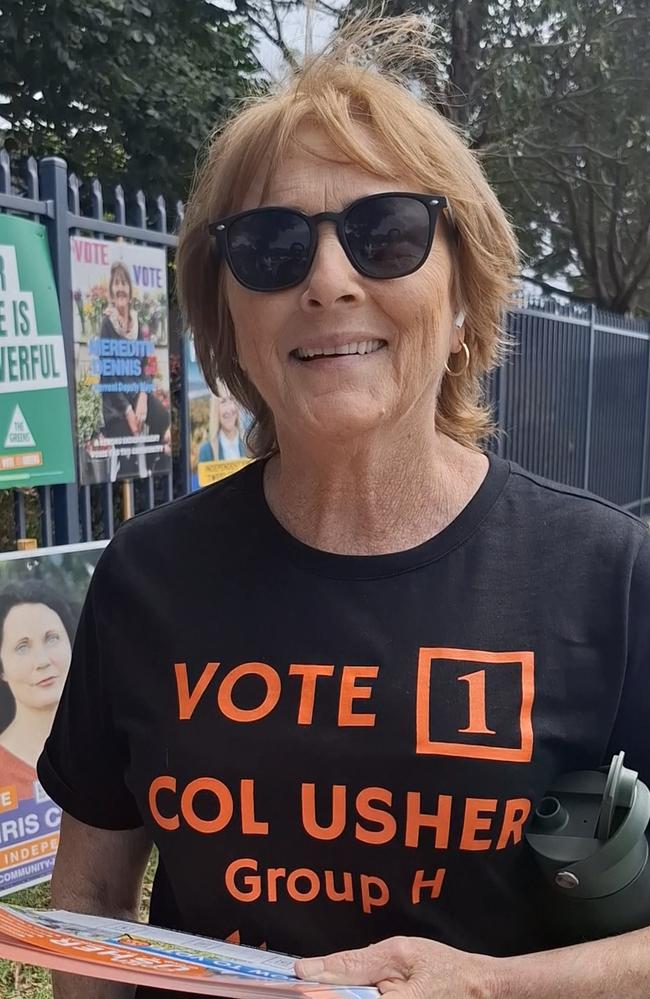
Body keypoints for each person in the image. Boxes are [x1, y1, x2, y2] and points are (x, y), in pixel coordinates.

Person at [39, 15, 650, 999]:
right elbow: (93, 903)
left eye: (385, 234)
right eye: (270, 247)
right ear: (227, 316)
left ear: (462, 298)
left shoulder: (607, 577)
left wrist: (487, 984)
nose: (327, 281)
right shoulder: (148, 578)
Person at [0, 582, 74, 800]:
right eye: (22, 647)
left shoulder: (109, 745)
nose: (42, 661)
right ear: (2, 669)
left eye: (52, 638)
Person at [99, 260, 171, 472]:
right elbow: (108, 376)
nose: (120, 287)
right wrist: (129, 411)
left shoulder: (139, 325)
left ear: (130, 291)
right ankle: (132, 473)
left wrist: (142, 396)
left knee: (163, 418)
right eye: (116, 283)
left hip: (137, 398)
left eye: (124, 283)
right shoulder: (107, 325)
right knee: (128, 457)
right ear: (112, 292)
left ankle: (150, 465)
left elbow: (147, 366)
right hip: (116, 405)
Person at [197, 380, 247, 462]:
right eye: (223, 402)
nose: (229, 409)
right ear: (215, 409)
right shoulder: (206, 451)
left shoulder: (250, 448)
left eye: (232, 399)